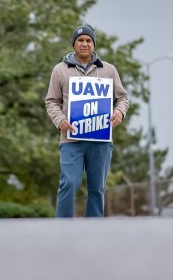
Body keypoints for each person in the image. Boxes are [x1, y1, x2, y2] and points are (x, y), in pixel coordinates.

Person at [45, 24, 129, 218]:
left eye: (88, 40)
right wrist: (60, 120)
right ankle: (63, 226)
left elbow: (123, 98)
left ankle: (94, 227)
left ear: (93, 44)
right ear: (74, 44)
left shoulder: (109, 70)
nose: (85, 44)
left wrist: (119, 112)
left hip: (100, 139)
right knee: (69, 182)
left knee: (97, 188)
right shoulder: (60, 70)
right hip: (70, 139)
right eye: (80, 40)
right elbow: (51, 101)